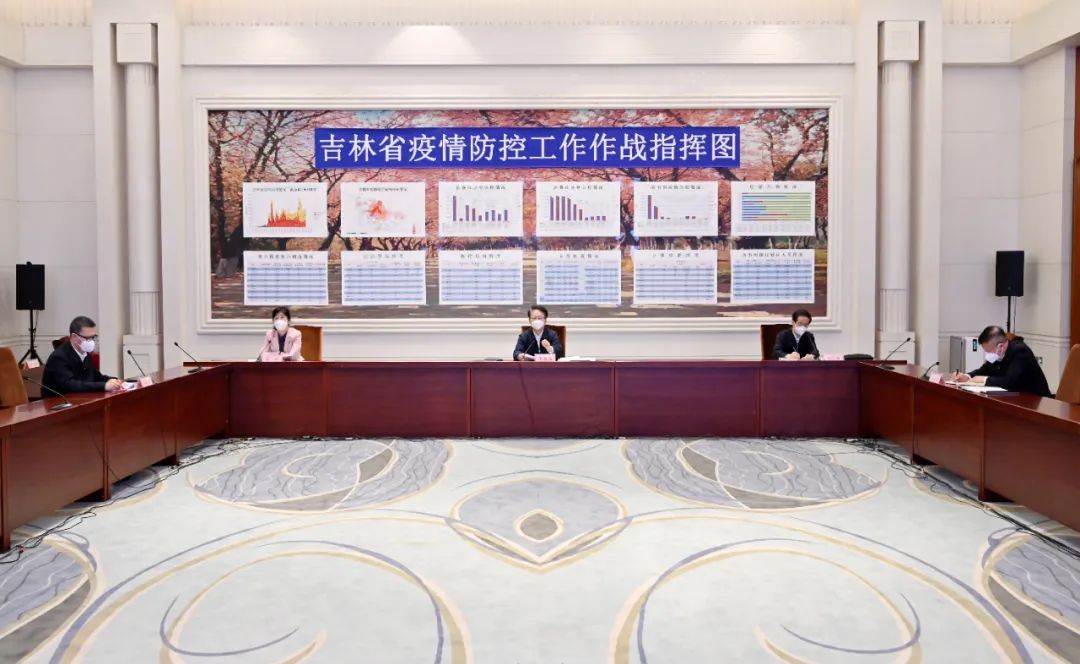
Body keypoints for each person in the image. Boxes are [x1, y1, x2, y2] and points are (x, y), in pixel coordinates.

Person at [951, 325, 1051, 396]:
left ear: (1001, 346)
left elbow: (1009, 381)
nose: (987, 355)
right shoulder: (998, 354)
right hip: (1014, 397)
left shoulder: (1020, 351)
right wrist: (967, 376)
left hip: (1035, 400)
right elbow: (984, 370)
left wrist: (984, 380)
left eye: (988, 351)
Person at [42, 316, 123, 394]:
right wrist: (104, 386)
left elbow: (95, 376)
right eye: (87, 338)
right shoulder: (59, 357)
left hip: (81, 398)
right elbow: (71, 384)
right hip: (58, 401)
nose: (91, 341)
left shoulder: (85, 353)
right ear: (74, 337)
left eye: (93, 337)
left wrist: (113, 381)